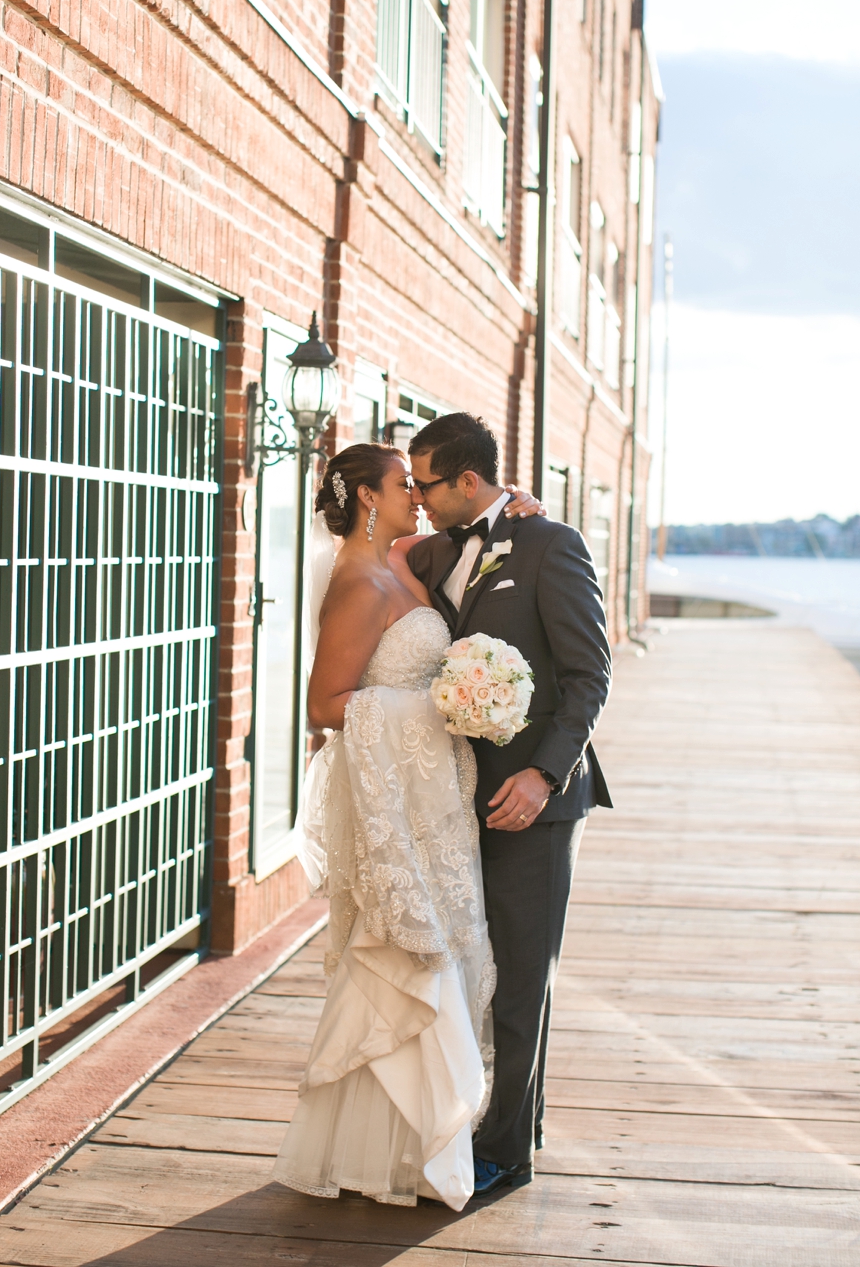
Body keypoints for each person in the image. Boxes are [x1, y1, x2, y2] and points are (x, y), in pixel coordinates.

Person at [272, 443, 544, 1211]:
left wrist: (517, 508)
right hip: (400, 801)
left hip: (438, 802)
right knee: (408, 955)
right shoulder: (357, 582)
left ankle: (421, 1145)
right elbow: (326, 705)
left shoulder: (408, 561)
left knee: (455, 952)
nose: (416, 497)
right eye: (401, 485)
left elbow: (472, 531)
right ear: (365, 496)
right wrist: (437, 707)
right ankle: (395, 1154)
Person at [405, 413, 612, 1197]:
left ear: (466, 480)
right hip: (450, 798)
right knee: (465, 967)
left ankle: (508, 1150)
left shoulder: (550, 546)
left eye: (428, 483)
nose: (419, 499)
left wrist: (543, 776)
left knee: (523, 975)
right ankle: (483, 1119)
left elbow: (591, 677)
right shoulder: (429, 551)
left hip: (535, 804)